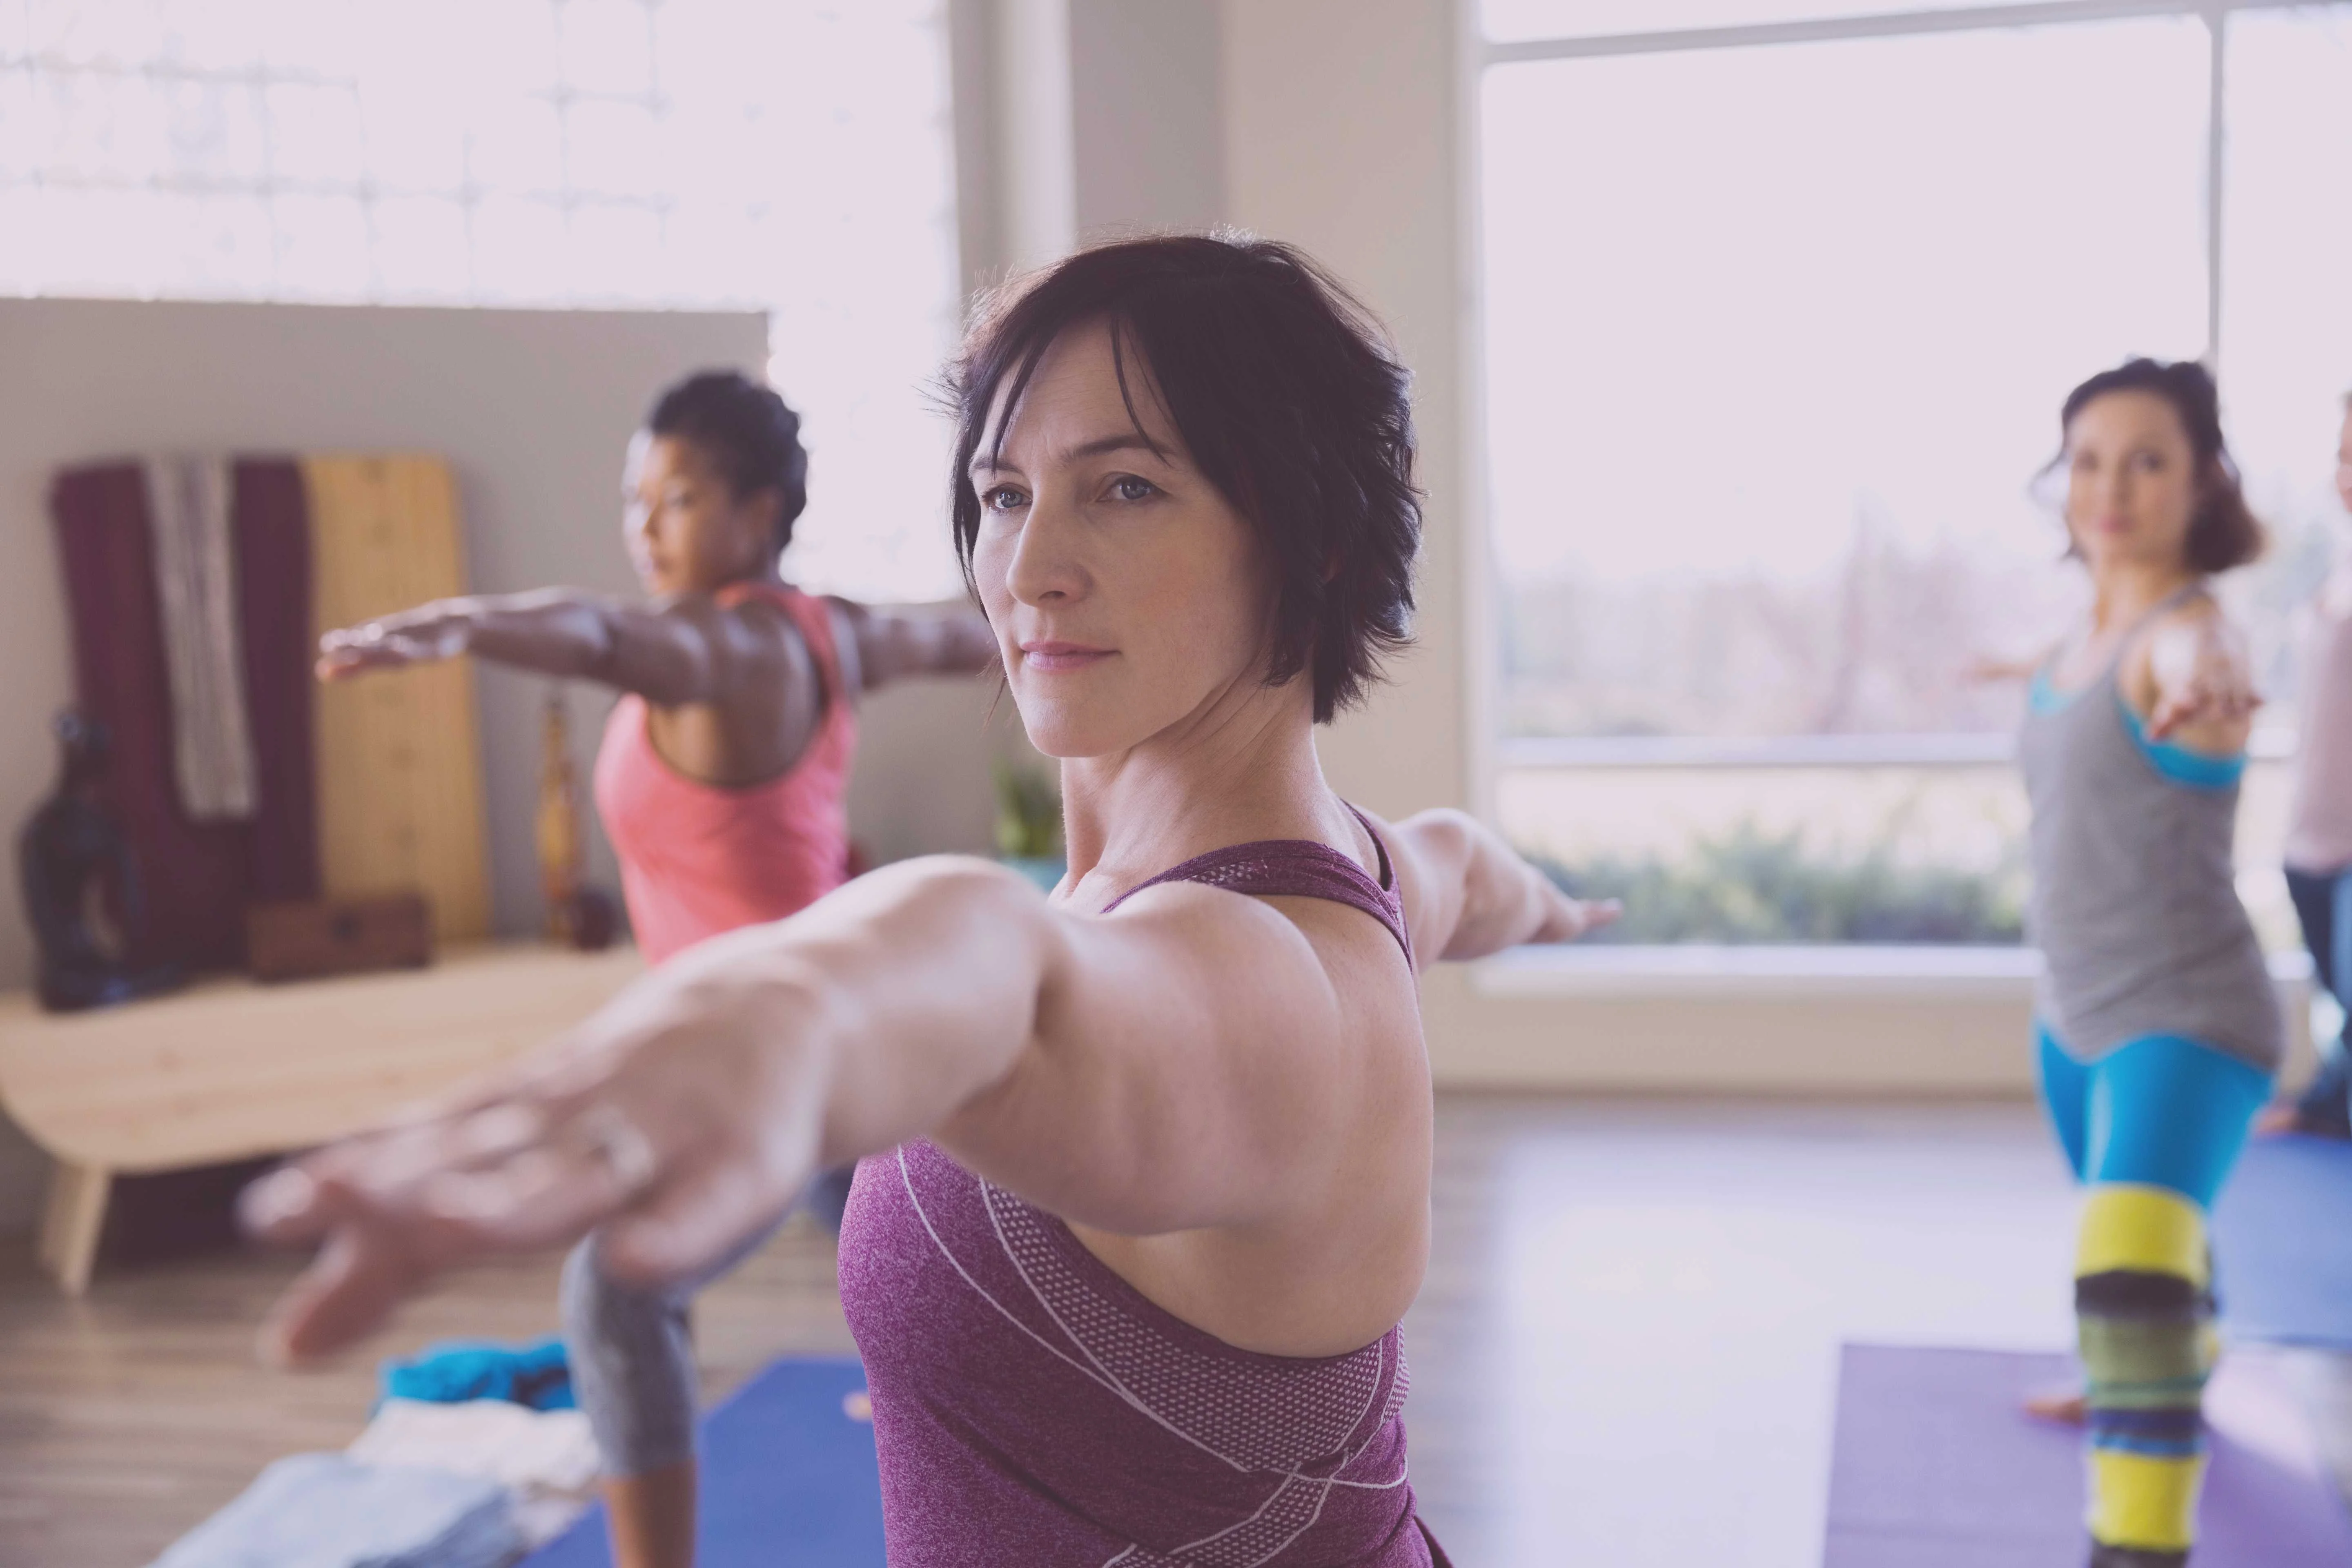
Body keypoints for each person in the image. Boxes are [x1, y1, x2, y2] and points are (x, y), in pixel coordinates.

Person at [244, 235, 1618, 1565]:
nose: (1026, 570)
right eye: (1007, 492)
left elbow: (1012, 985)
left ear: (1312, 537)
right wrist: (1555, 907)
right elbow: (1468, 874)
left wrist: (790, 1005)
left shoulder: (1269, 986)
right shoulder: (1370, 866)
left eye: (1126, 487)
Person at [315, 368, 997, 1568]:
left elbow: (595, 632)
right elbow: (957, 633)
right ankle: (986, 1445)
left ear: (758, 510)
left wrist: (462, 625)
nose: (645, 527)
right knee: (903, 1267)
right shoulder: (831, 630)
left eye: (677, 500)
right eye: (638, 500)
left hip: (775, 1056)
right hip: (834, 1035)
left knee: (619, 1295)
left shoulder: (721, 645)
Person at [2013, 359, 2280, 1568]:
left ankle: (2138, 1545)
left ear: (2203, 481)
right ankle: (2163, 1362)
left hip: (2183, 1020)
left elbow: (2198, 661)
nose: (2111, 487)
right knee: (2155, 1252)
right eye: (2088, 459)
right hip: (2072, 1018)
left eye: (2148, 459)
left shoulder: (2189, 635)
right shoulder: (2085, 634)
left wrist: (2210, 675)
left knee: (2124, 1277)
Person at [2258, 390, 2352, 1140]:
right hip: (2312, 830)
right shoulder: (2334, 571)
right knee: (2336, 998)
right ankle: (2329, 1103)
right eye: (2343, 456)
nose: (2345, 475)